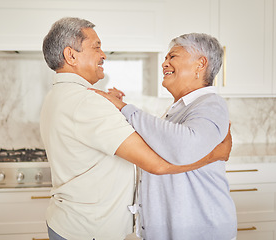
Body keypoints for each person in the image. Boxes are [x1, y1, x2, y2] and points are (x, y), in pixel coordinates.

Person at [40, 17, 233, 240]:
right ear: (71, 55)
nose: (103, 54)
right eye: (96, 47)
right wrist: (215, 155)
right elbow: (157, 164)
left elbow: (176, 145)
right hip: (88, 230)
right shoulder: (87, 102)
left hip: (74, 225)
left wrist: (119, 109)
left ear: (201, 64)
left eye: (173, 56)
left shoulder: (60, 95)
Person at [95, 33, 237, 240]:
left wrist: (126, 109)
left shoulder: (211, 104)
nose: (164, 63)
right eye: (165, 58)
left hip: (202, 231)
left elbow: (184, 148)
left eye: (173, 57)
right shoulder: (181, 108)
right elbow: (159, 145)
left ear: (200, 64)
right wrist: (121, 111)